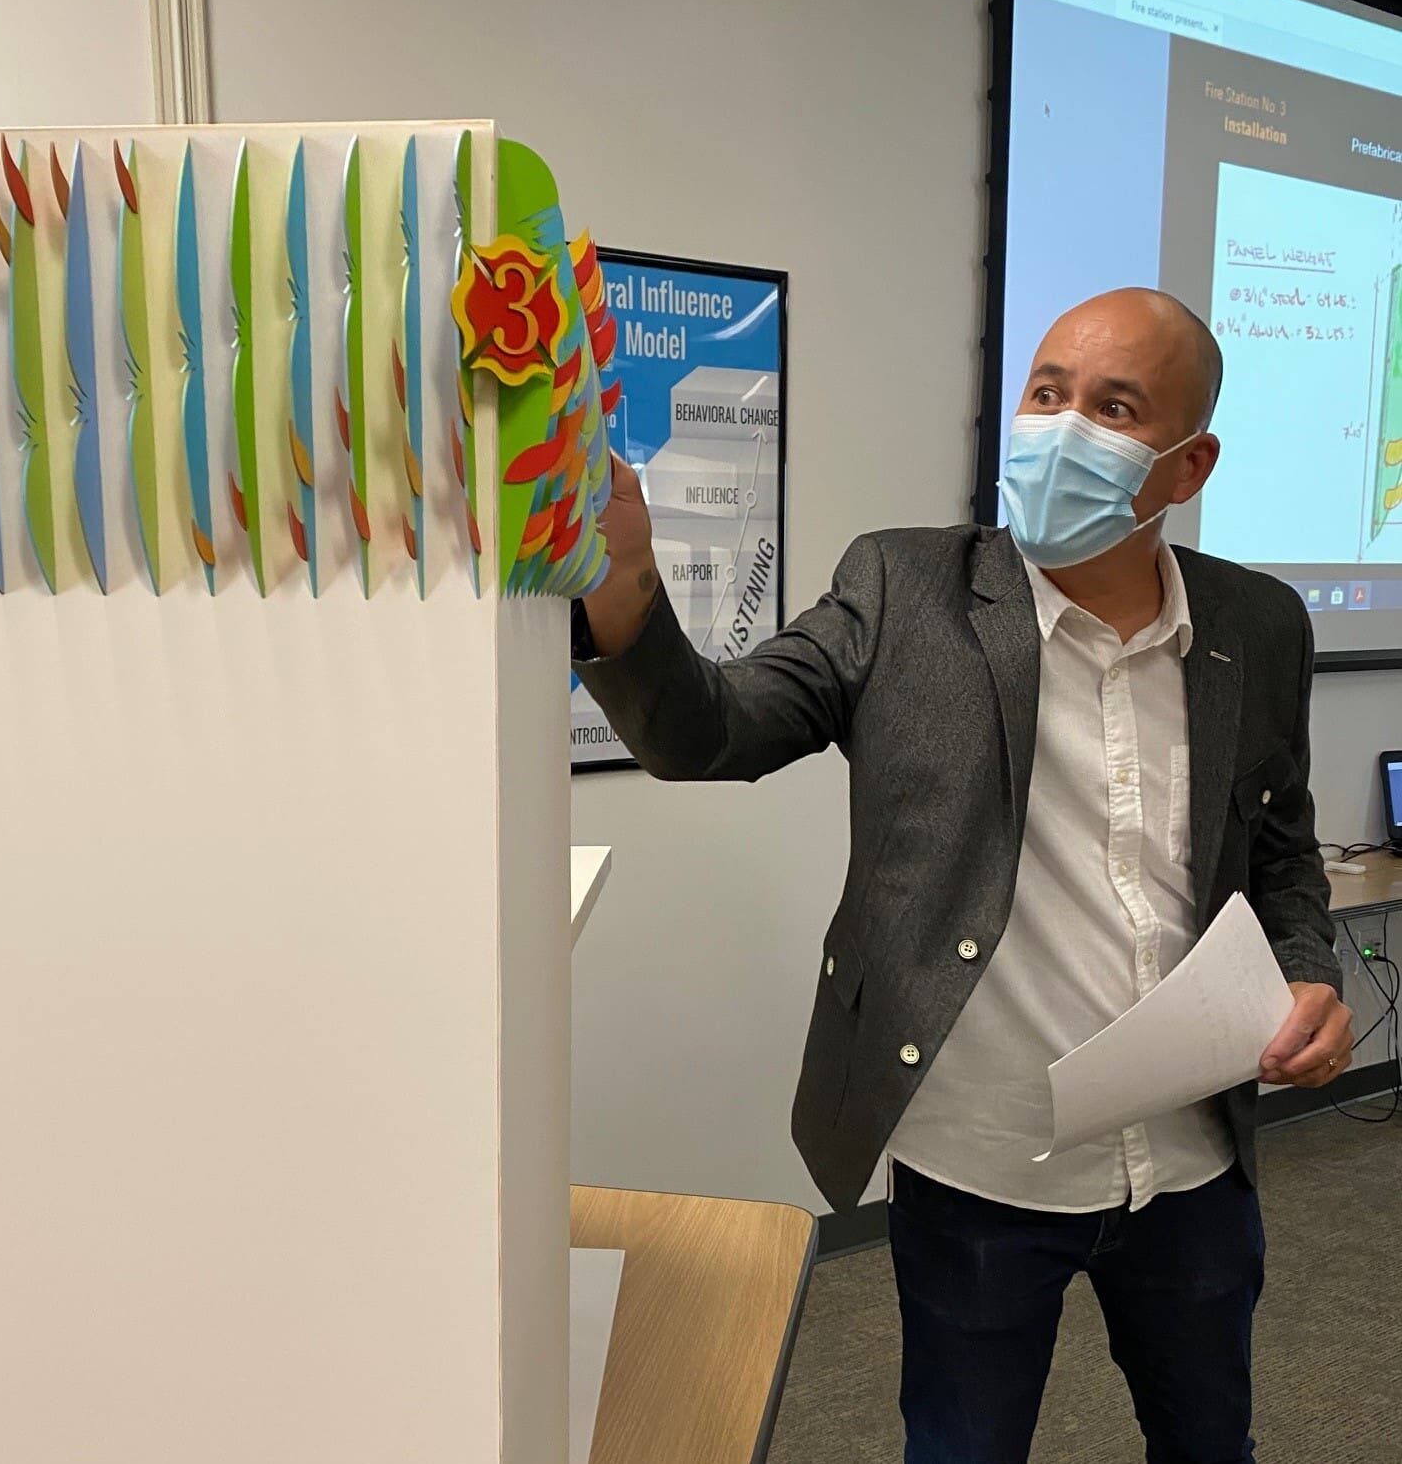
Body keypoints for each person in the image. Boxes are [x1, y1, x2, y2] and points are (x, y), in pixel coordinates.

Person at [571, 288, 1354, 1464]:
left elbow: (1282, 848)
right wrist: (626, 588)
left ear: (1188, 466)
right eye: (1046, 392)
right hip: (985, 1159)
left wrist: (1307, 970)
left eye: (1113, 408)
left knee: (1210, 1441)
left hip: (1191, 1158)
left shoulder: (1261, 621)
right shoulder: (905, 588)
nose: (1061, 427)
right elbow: (708, 732)